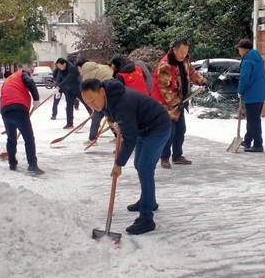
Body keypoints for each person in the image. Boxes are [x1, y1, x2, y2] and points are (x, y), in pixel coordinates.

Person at [81, 78, 171, 235]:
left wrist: (118, 163)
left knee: (144, 168)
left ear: (102, 91)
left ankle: (146, 218)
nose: (92, 105)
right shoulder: (108, 100)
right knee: (139, 164)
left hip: (158, 126)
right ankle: (149, 201)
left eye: (93, 100)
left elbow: (130, 139)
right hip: (144, 127)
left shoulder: (121, 103)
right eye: (88, 103)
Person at [151, 38, 207, 169]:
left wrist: (202, 80)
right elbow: (163, 87)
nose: (183, 55)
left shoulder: (185, 60)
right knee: (168, 131)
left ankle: (177, 156)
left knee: (180, 130)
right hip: (164, 103)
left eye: (185, 52)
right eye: (181, 52)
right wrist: (176, 102)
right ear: (174, 49)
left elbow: (191, 73)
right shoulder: (165, 64)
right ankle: (164, 157)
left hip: (179, 102)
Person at [0, 70, 45, 175]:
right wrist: (36, 98)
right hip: (18, 108)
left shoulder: (7, 81)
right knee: (28, 138)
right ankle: (32, 165)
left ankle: (12, 164)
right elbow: (30, 82)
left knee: (11, 139)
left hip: (5, 110)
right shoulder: (22, 74)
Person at [235, 38, 265, 153]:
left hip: (252, 94)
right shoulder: (258, 58)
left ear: (243, 49)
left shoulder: (247, 60)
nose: (239, 51)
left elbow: (244, 78)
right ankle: (248, 140)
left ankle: (258, 144)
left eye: (239, 49)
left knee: (253, 120)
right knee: (253, 119)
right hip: (260, 93)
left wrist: (240, 91)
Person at [76, 57, 114, 146]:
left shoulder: (87, 74)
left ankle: (92, 139)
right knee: (112, 117)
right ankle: (118, 137)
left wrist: (93, 108)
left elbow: (88, 93)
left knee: (97, 116)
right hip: (115, 90)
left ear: (80, 67)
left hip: (105, 94)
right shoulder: (101, 66)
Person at [54, 57, 91, 129]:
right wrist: (58, 88)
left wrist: (59, 86)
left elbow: (68, 79)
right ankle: (69, 123)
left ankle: (93, 117)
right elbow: (59, 78)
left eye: (60, 66)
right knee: (69, 106)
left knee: (86, 103)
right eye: (58, 66)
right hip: (69, 90)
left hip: (78, 89)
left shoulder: (72, 68)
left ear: (64, 64)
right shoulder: (60, 69)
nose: (59, 68)